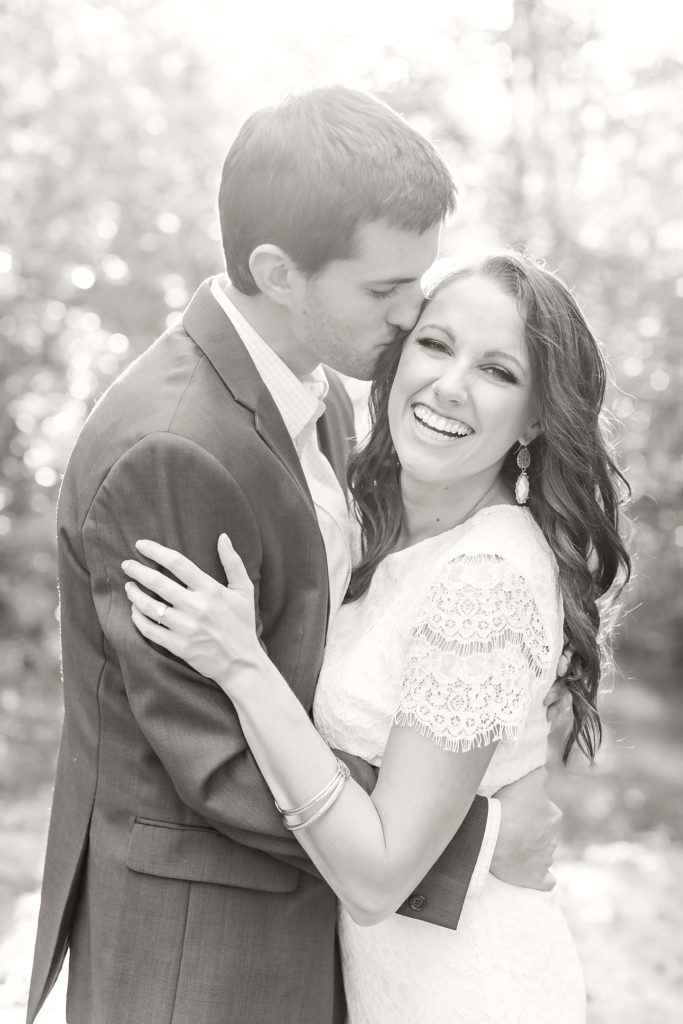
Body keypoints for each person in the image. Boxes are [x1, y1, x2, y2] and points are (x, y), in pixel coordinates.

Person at [28, 87, 561, 1024]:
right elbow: (212, 759)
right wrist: (465, 845)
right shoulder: (174, 445)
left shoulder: (329, 393)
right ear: (279, 272)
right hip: (199, 953)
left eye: (418, 283)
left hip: (334, 937)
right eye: (386, 290)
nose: (409, 319)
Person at [123, 250, 631, 1023]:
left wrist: (241, 666)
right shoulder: (379, 527)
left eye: (498, 371)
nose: (450, 385)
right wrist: (488, 831)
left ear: (534, 416)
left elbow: (377, 878)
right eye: (435, 344)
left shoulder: (486, 576)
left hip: (468, 992)